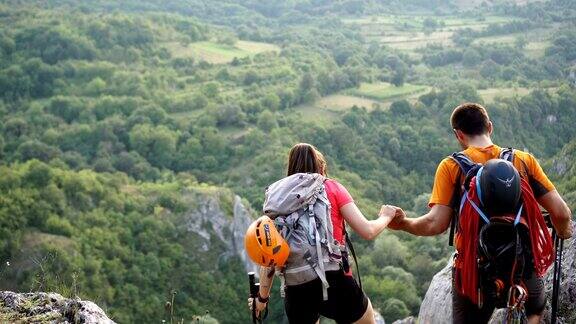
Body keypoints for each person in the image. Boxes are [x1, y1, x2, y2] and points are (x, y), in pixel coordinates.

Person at [387, 103, 573, 324]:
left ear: (459, 135)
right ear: (490, 127)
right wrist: (562, 232)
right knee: (536, 307)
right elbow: (561, 213)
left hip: (473, 273)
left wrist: (403, 223)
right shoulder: (523, 161)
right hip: (520, 265)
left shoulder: (451, 167)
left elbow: (435, 225)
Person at [248, 143, 397, 324]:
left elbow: (270, 254)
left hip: (296, 288)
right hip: (335, 281)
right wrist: (386, 217)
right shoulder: (332, 188)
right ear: (321, 166)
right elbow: (368, 231)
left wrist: (262, 300)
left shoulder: (279, 200)